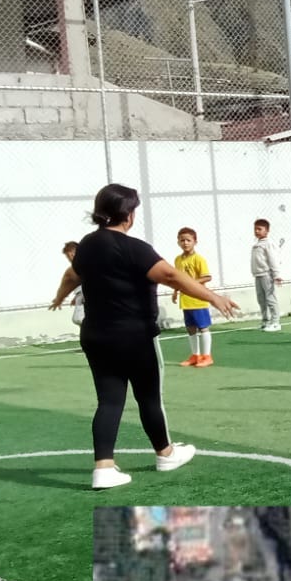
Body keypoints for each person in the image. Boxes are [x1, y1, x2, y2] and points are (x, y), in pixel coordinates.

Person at [50, 183, 239, 490]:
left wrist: (60, 296)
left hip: (95, 335)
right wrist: (214, 297)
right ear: (128, 214)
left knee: (109, 401)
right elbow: (171, 275)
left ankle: (103, 468)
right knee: (149, 397)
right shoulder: (133, 248)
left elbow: (72, 275)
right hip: (134, 336)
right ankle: (165, 454)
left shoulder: (87, 246)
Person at [173, 228, 215, 367]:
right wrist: (175, 291)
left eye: (188, 240)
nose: (185, 243)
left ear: (195, 242)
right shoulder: (178, 259)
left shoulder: (199, 259)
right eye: (182, 240)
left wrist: (191, 283)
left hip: (198, 299)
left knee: (203, 327)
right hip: (185, 300)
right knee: (190, 328)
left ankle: (207, 356)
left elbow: (207, 277)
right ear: (178, 242)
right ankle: (195, 355)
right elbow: (177, 278)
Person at [250, 219, 283, 332]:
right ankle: (266, 321)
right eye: (255, 229)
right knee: (261, 299)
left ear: (267, 231)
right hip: (258, 275)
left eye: (259, 229)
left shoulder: (268, 244)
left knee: (270, 298)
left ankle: (276, 322)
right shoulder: (257, 244)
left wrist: (276, 275)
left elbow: (273, 259)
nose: (257, 231)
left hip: (267, 275)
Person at [61, 241, 85, 326]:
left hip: (87, 295)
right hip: (81, 294)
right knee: (78, 319)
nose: (69, 258)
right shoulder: (76, 267)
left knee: (79, 319)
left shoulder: (85, 264)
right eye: (67, 256)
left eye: (69, 255)